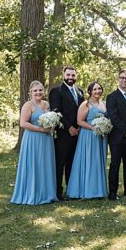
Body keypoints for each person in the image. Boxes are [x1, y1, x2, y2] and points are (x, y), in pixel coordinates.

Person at [12, 81, 59, 205]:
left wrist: (52, 127)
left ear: (44, 91)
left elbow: (51, 120)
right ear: (30, 93)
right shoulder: (28, 105)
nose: (38, 92)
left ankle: (46, 193)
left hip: (47, 140)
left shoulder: (46, 104)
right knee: (34, 164)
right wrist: (41, 129)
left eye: (40, 90)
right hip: (33, 139)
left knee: (45, 165)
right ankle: (32, 193)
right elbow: (23, 123)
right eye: (35, 91)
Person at [66, 81, 107, 199]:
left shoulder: (103, 104)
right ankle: (86, 189)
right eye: (94, 89)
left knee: (98, 161)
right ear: (90, 91)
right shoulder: (86, 104)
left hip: (100, 137)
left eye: (99, 88)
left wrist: (104, 127)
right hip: (88, 136)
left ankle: (98, 190)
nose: (97, 91)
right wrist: (94, 128)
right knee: (88, 160)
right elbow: (80, 121)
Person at [48, 66, 83, 199]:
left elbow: (82, 110)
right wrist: (69, 127)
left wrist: (79, 127)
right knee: (60, 163)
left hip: (78, 133)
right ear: (64, 75)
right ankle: (58, 192)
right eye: (68, 75)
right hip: (63, 133)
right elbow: (56, 111)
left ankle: (71, 190)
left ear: (76, 76)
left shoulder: (80, 91)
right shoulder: (56, 91)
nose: (70, 78)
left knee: (72, 163)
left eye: (73, 75)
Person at [104, 70, 126, 199]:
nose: (124, 80)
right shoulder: (112, 97)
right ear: (118, 79)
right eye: (122, 78)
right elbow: (113, 116)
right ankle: (113, 192)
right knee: (115, 164)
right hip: (117, 136)